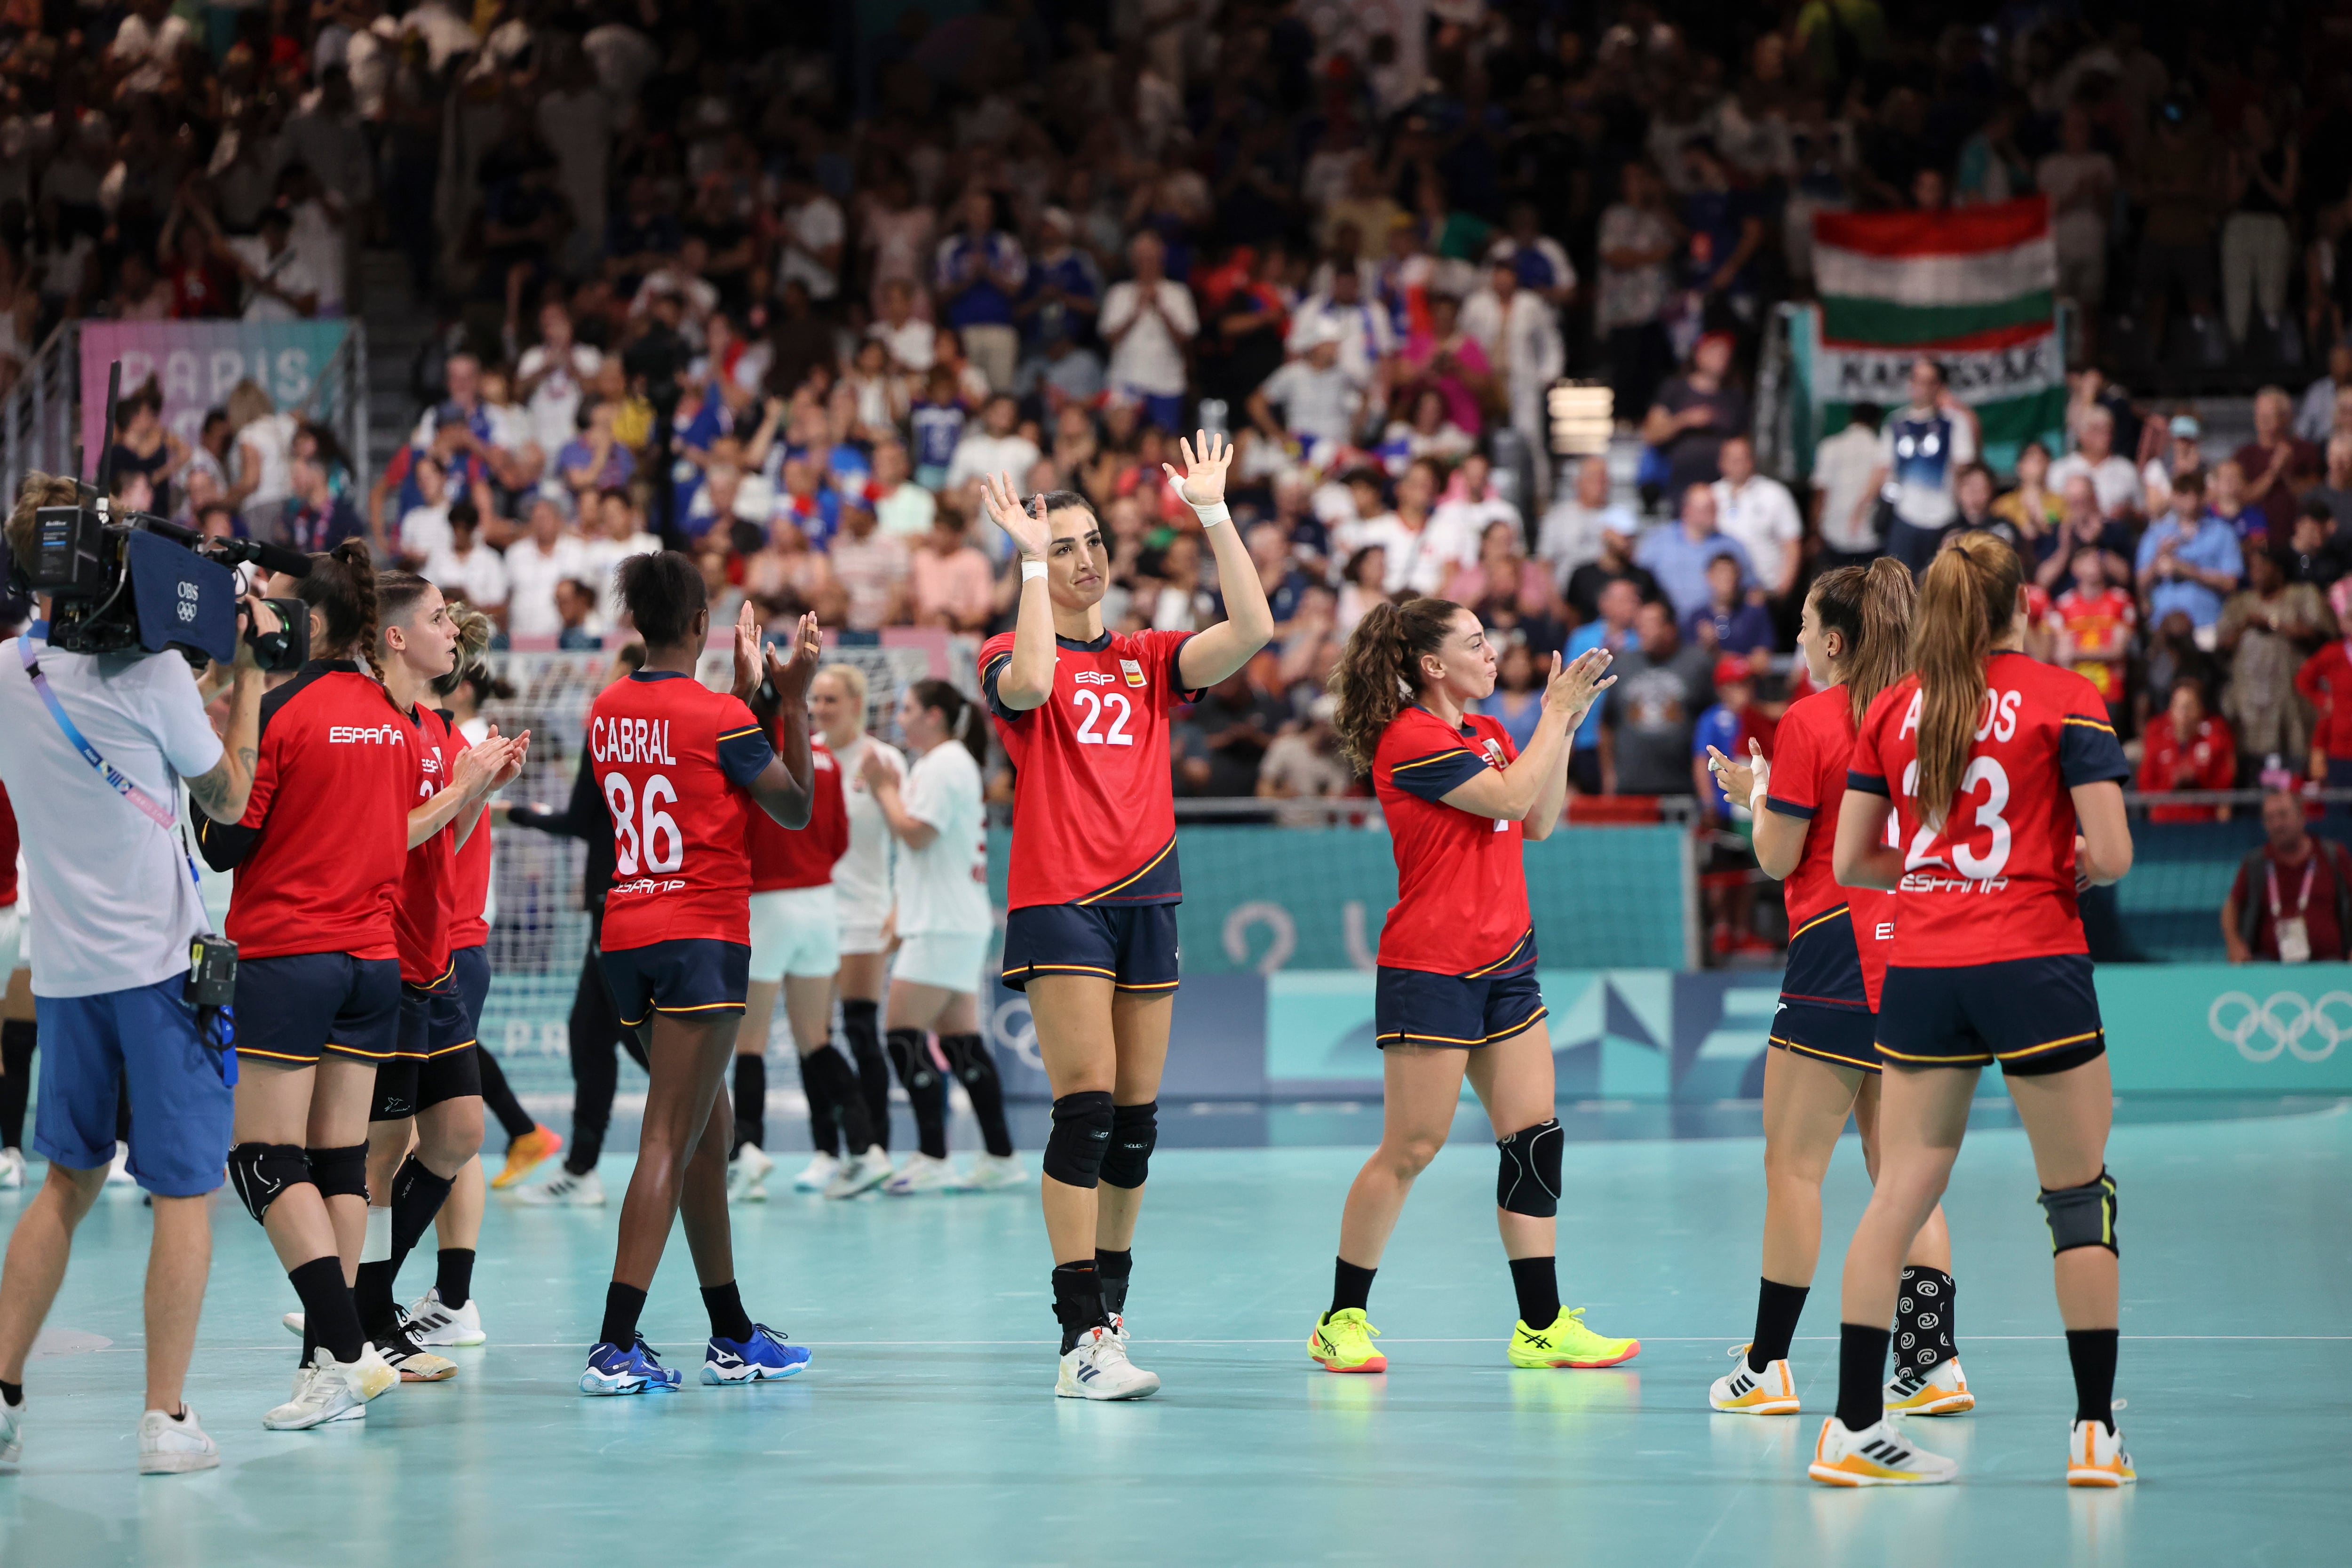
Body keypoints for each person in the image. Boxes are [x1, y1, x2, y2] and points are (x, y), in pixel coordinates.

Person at [1817, 532, 2136, 1488]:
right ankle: (2091, 1432)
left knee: (1897, 1193)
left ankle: (1850, 1426)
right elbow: (2111, 854)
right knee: (2078, 1196)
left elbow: (1850, 863)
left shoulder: (1895, 706)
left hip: (1921, 963)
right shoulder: (2065, 695)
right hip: (2032, 959)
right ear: (2023, 604)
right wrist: (2052, 866)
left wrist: (1939, 873)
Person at [192, 541, 520, 1429]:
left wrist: (221, 713)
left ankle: (341, 1348)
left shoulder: (286, 706)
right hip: (376, 963)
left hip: (291, 952)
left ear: (314, 619)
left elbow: (224, 840)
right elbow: (404, 836)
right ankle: (328, 1370)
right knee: (342, 1165)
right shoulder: (407, 721)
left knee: (262, 1157)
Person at [976, 432, 1273, 1400]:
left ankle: (1110, 1313)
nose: (1084, 556)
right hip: (1061, 897)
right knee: (1087, 1110)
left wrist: (1214, 515)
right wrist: (1025, 564)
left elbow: (1254, 630)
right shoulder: (1009, 650)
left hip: (1149, 896)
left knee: (1136, 1127)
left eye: (1089, 539)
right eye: (1062, 545)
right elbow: (1026, 682)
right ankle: (1077, 1340)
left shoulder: (1148, 659)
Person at [0, 474, 280, 1472]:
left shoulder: (6, 674)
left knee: (64, 1182)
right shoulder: (157, 680)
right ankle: (166, 1419)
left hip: (66, 975)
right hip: (162, 972)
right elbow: (231, 800)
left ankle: (0, 1396)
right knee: (183, 1192)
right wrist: (241, 670)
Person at [1307, 599, 1631, 1377]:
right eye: (1477, 643)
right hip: (1432, 966)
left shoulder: (1490, 735)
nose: (1494, 654)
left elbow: (1541, 816)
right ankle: (1340, 1318)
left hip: (1507, 960)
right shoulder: (1410, 738)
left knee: (1534, 1138)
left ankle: (1542, 1324)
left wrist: (1566, 724)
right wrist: (1552, 716)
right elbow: (1511, 799)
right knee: (1412, 1147)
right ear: (1431, 665)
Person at [1699, 561, 1973, 1422]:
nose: (1796, 644)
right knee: (1902, 1177)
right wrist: (1766, 792)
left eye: (1804, 628)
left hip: (1835, 952)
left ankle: (1770, 1363)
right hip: (1923, 950)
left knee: (1794, 1167)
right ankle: (1931, 1364)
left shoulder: (1813, 718)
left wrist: (1753, 802)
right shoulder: (1930, 710)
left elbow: (1780, 855)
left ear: (1835, 641)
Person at [577, 557, 822, 1397]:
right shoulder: (719, 714)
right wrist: (789, 698)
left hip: (625, 937)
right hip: (702, 934)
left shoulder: (606, 707)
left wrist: (747, 697)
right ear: (699, 623)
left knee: (706, 1133)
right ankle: (614, 1342)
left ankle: (732, 1331)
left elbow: (686, 753)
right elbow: (793, 807)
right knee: (669, 1135)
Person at [411, 642, 559, 1348]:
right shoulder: (452, 742)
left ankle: (397, 1295)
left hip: (451, 942)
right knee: (446, 1132)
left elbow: (435, 837)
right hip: (452, 940)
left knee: (433, 1134)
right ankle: (444, 1297)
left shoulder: (454, 742)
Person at [731, 669, 889, 1204]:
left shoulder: (752, 751)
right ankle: (866, 1150)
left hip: (769, 902)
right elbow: (840, 836)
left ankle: (747, 1151)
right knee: (815, 1039)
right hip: (822, 904)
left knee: (748, 1041)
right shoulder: (823, 759)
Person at [863, 680, 1022, 1193]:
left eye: (907, 709)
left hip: (941, 923)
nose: (899, 718)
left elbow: (916, 832)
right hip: (950, 918)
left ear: (933, 716)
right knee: (960, 1043)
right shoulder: (951, 763)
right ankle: (999, 1157)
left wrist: (884, 789)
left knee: (901, 1035)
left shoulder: (942, 765)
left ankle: (933, 1156)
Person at [507, 648, 650, 1206]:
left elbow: (577, 822)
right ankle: (582, 1169)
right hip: (630, 898)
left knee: (632, 1037)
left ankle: (726, 1142)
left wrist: (512, 812)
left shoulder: (609, 733)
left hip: (613, 902)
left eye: (612, 674)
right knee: (593, 1033)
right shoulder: (652, 736)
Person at [794, 664, 903, 1191]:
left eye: (830, 700)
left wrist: (899, 907)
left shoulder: (883, 761)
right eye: (814, 699)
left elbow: (908, 842)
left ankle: (874, 1146)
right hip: (812, 912)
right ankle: (826, 1148)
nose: (818, 709)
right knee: (813, 1036)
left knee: (861, 1031)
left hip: (865, 914)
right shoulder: (804, 754)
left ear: (857, 705)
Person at [1864, 359, 1980, 577]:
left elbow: (1965, 468)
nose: (1922, 387)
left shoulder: (1955, 422)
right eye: (1917, 380)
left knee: (1944, 587)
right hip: (1905, 516)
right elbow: (1882, 468)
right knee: (1898, 588)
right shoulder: (1896, 422)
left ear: (1939, 385)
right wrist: (1863, 505)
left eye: (1929, 381)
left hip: (1945, 517)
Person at [2223, 789, 2352, 963]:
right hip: (2270, 968)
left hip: (2330, 967)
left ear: (2302, 817)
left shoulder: (2332, 856)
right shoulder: (2256, 863)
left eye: (2283, 815)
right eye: (2270, 818)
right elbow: (2231, 906)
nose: (2277, 824)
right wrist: (2234, 943)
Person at [2137, 682, 2235, 824]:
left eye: (2190, 707)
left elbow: (2226, 786)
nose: (2185, 714)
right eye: (2179, 707)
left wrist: (2197, 778)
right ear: (2170, 710)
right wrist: (2172, 781)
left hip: (2205, 823)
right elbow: (2145, 786)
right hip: (2165, 824)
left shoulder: (2217, 734)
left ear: (2201, 709)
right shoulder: (2156, 733)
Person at [1811, 406, 1885, 569]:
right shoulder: (1882, 450)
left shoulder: (1829, 446)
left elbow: (1820, 494)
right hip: (1871, 536)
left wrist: (1815, 532)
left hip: (1834, 534)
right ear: (1876, 423)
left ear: (1850, 420)